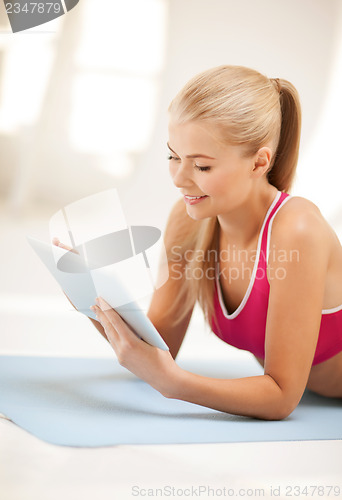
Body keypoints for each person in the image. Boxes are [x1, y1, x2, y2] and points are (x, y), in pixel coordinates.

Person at [63, 65, 342, 420]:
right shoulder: (188, 220)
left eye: (202, 167)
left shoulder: (297, 231)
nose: (180, 179)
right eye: (173, 157)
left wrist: (174, 384)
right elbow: (158, 346)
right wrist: (90, 297)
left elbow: (281, 396)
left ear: (259, 163)